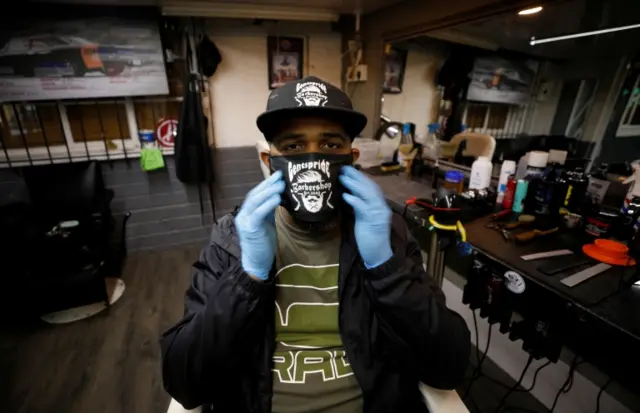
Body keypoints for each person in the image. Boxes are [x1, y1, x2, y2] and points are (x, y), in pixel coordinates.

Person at [161, 76, 470, 413]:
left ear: (351, 158)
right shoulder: (232, 239)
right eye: (292, 147)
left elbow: (447, 365)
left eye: (330, 145)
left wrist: (386, 267)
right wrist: (247, 278)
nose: (313, 159)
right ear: (268, 161)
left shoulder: (387, 233)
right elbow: (185, 381)